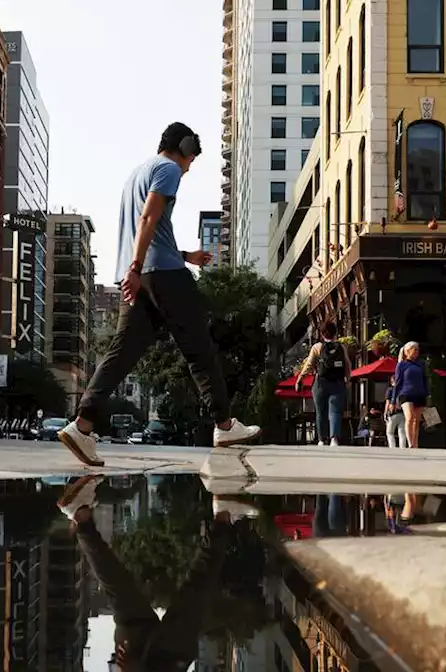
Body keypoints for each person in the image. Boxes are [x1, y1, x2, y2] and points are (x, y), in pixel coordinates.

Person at [57, 123, 261, 466]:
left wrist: (182, 257)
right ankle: (225, 425)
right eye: (192, 157)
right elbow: (147, 219)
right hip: (160, 277)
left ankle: (82, 425)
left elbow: (152, 230)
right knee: (199, 348)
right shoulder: (168, 169)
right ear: (183, 146)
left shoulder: (137, 173)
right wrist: (138, 268)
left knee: (121, 354)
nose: (190, 165)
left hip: (143, 277)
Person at [58, 475, 253, 669]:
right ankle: (81, 516)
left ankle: (223, 516)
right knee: (118, 584)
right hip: (140, 650)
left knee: (196, 592)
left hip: (160, 657)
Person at [294, 321, 352, 446]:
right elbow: (347, 365)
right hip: (338, 383)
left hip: (320, 383)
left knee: (321, 412)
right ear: (335, 333)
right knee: (335, 411)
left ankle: (321, 439)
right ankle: (334, 438)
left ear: (321, 334)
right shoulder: (341, 347)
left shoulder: (317, 347)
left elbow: (309, 365)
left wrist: (300, 378)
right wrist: (347, 379)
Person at [393, 341, 427, 524]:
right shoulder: (402, 365)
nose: (416, 351)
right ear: (406, 352)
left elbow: (425, 379)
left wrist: (427, 393)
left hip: (419, 393)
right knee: (409, 418)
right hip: (405, 394)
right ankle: (410, 444)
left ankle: (415, 443)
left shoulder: (420, 364)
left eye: (417, 349)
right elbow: (397, 381)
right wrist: (392, 399)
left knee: (417, 420)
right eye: (414, 349)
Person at [384, 374, 409, 449]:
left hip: (392, 414)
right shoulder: (403, 390)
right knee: (402, 432)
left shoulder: (390, 390)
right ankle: (402, 447)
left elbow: (388, 402)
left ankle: (392, 447)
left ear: (392, 382)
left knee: (389, 432)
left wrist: (385, 412)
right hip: (402, 413)